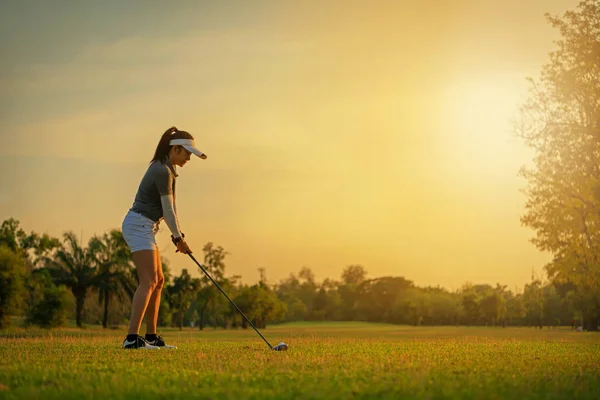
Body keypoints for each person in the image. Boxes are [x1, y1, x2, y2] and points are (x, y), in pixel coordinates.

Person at [120, 126, 207, 349]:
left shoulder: (167, 169)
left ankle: (151, 337)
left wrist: (179, 236)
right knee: (148, 281)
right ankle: (132, 339)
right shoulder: (162, 171)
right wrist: (178, 238)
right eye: (186, 152)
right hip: (139, 225)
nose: (189, 157)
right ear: (175, 149)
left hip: (147, 226)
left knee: (158, 281)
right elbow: (167, 210)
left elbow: (171, 210)